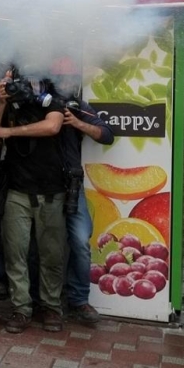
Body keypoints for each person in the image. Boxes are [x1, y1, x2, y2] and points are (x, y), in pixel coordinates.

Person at [0, 70, 66, 333]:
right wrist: (0, 100)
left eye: (32, 81)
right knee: (15, 254)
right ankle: (21, 308)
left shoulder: (52, 97)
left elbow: (53, 126)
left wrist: (11, 131)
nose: (27, 86)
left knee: (51, 255)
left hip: (51, 191)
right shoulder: (9, 100)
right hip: (17, 191)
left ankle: (51, 306)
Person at [47, 57, 114, 326]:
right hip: (43, 186)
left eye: (71, 78)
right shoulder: (39, 105)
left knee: (80, 243)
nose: (66, 82)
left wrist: (77, 123)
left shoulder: (77, 107)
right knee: (42, 246)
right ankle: (46, 301)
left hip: (72, 185)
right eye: (62, 78)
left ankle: (79, 300)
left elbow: (107, 133)